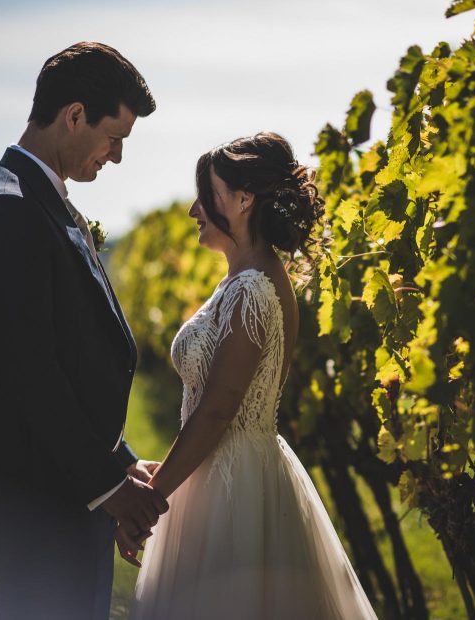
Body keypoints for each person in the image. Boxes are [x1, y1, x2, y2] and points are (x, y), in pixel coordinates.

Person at [0, 41, 169, 620]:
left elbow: (73, 361)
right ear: (73, 115)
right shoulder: (8, 211)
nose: (115, 157)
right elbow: (28, 374)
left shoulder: (39, 201)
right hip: (41, 514)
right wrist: (110, 490)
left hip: (66, 499)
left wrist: (120, 463)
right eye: (115, 138)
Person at [129, 133, 378, 619]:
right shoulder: (249, 279)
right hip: (225, 470)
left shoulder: (252, 289)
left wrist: (150, 502)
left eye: (207, 194)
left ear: (244, 200)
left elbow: (220, 409)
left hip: (231, 485)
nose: (193, 209)